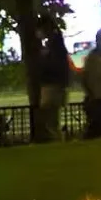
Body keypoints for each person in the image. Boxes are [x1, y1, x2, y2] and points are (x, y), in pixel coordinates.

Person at [37, 14, 71, 142]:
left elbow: (54, 65)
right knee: (52, 120)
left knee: (51, 120)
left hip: (52, 86)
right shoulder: (57, 43)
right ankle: (58, 141)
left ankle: (57, 142)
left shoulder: (54, 45)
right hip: (56, 85)